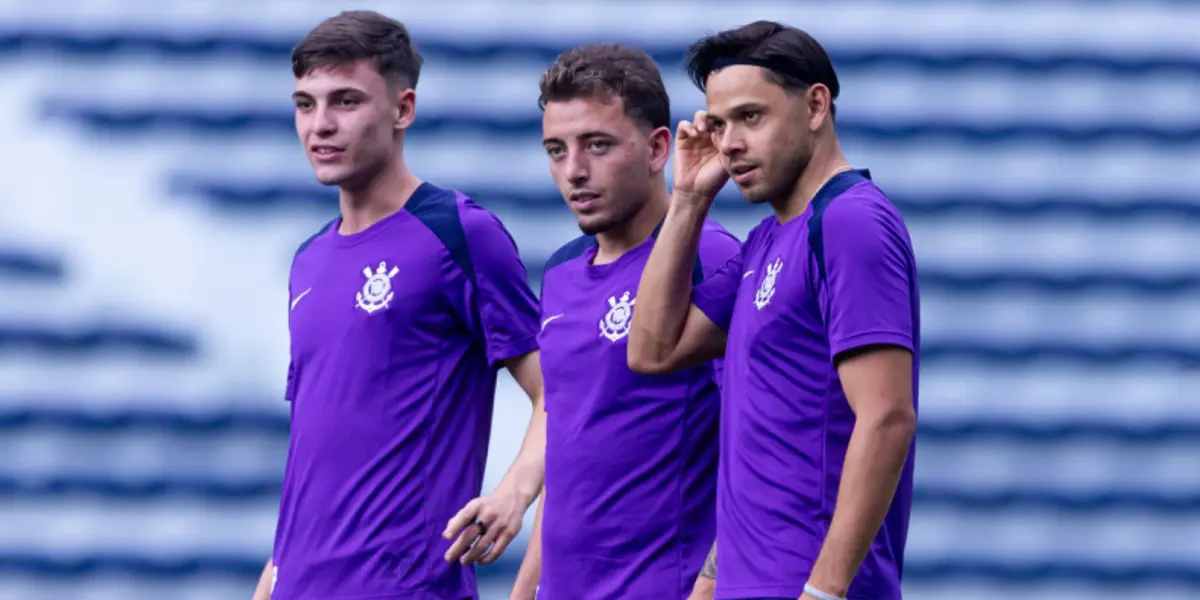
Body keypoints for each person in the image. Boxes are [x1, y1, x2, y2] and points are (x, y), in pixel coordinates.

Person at [254, 11, 546, 600]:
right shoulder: (308, 261)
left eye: (345, 101)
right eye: (305, 104)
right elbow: (315, 461)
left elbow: (561, 389)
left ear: (403, 109)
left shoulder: (460, 233)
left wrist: (514, 490)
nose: (321, 125)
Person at [627, 21, 920, 600]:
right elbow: (652, 350)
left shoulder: (850, 222)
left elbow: (887, 416)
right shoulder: (768, 240)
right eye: (718, 124)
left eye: (750, 117)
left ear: (815, 106)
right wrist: (687, 199)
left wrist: (824, 591)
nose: (729, 142)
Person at [503, 44, 742, 600]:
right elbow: (570, 454)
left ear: (660, 147)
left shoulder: (710, 259)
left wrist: (706, 591)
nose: (574, 172)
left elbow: (756, 453)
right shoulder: (562, 271)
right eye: (556, 150)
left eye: (597, 145)